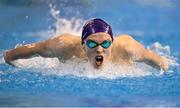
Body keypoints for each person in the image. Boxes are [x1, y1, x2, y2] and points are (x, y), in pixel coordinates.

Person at [3, 18, 169, 70]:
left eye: (105, 44)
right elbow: (28, 51)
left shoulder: (128, 48)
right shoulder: (63, 46)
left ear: (112, 42)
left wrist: (165, 67)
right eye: (91, 44)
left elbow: (161, 64)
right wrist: (10, 59)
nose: (99, 49)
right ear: (82, 44)